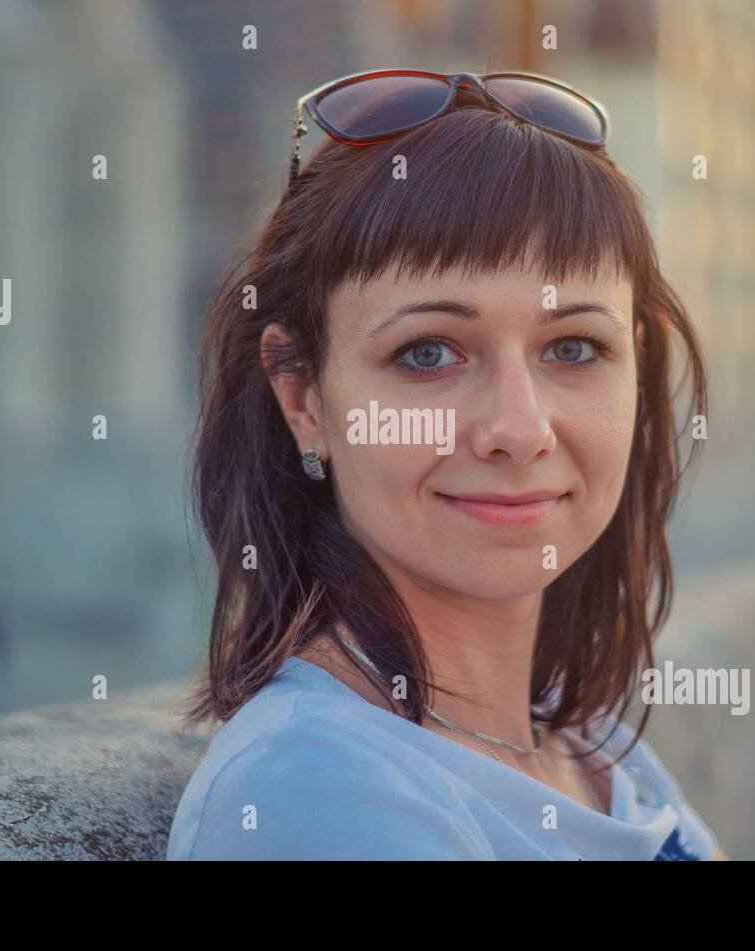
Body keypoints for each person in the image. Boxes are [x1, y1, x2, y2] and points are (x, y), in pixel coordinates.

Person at [169, 68, 724, 860]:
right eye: (428, 353)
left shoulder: (594, 746)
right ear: (303, 397)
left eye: (574, 347)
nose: (519, 429)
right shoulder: (315, 790)